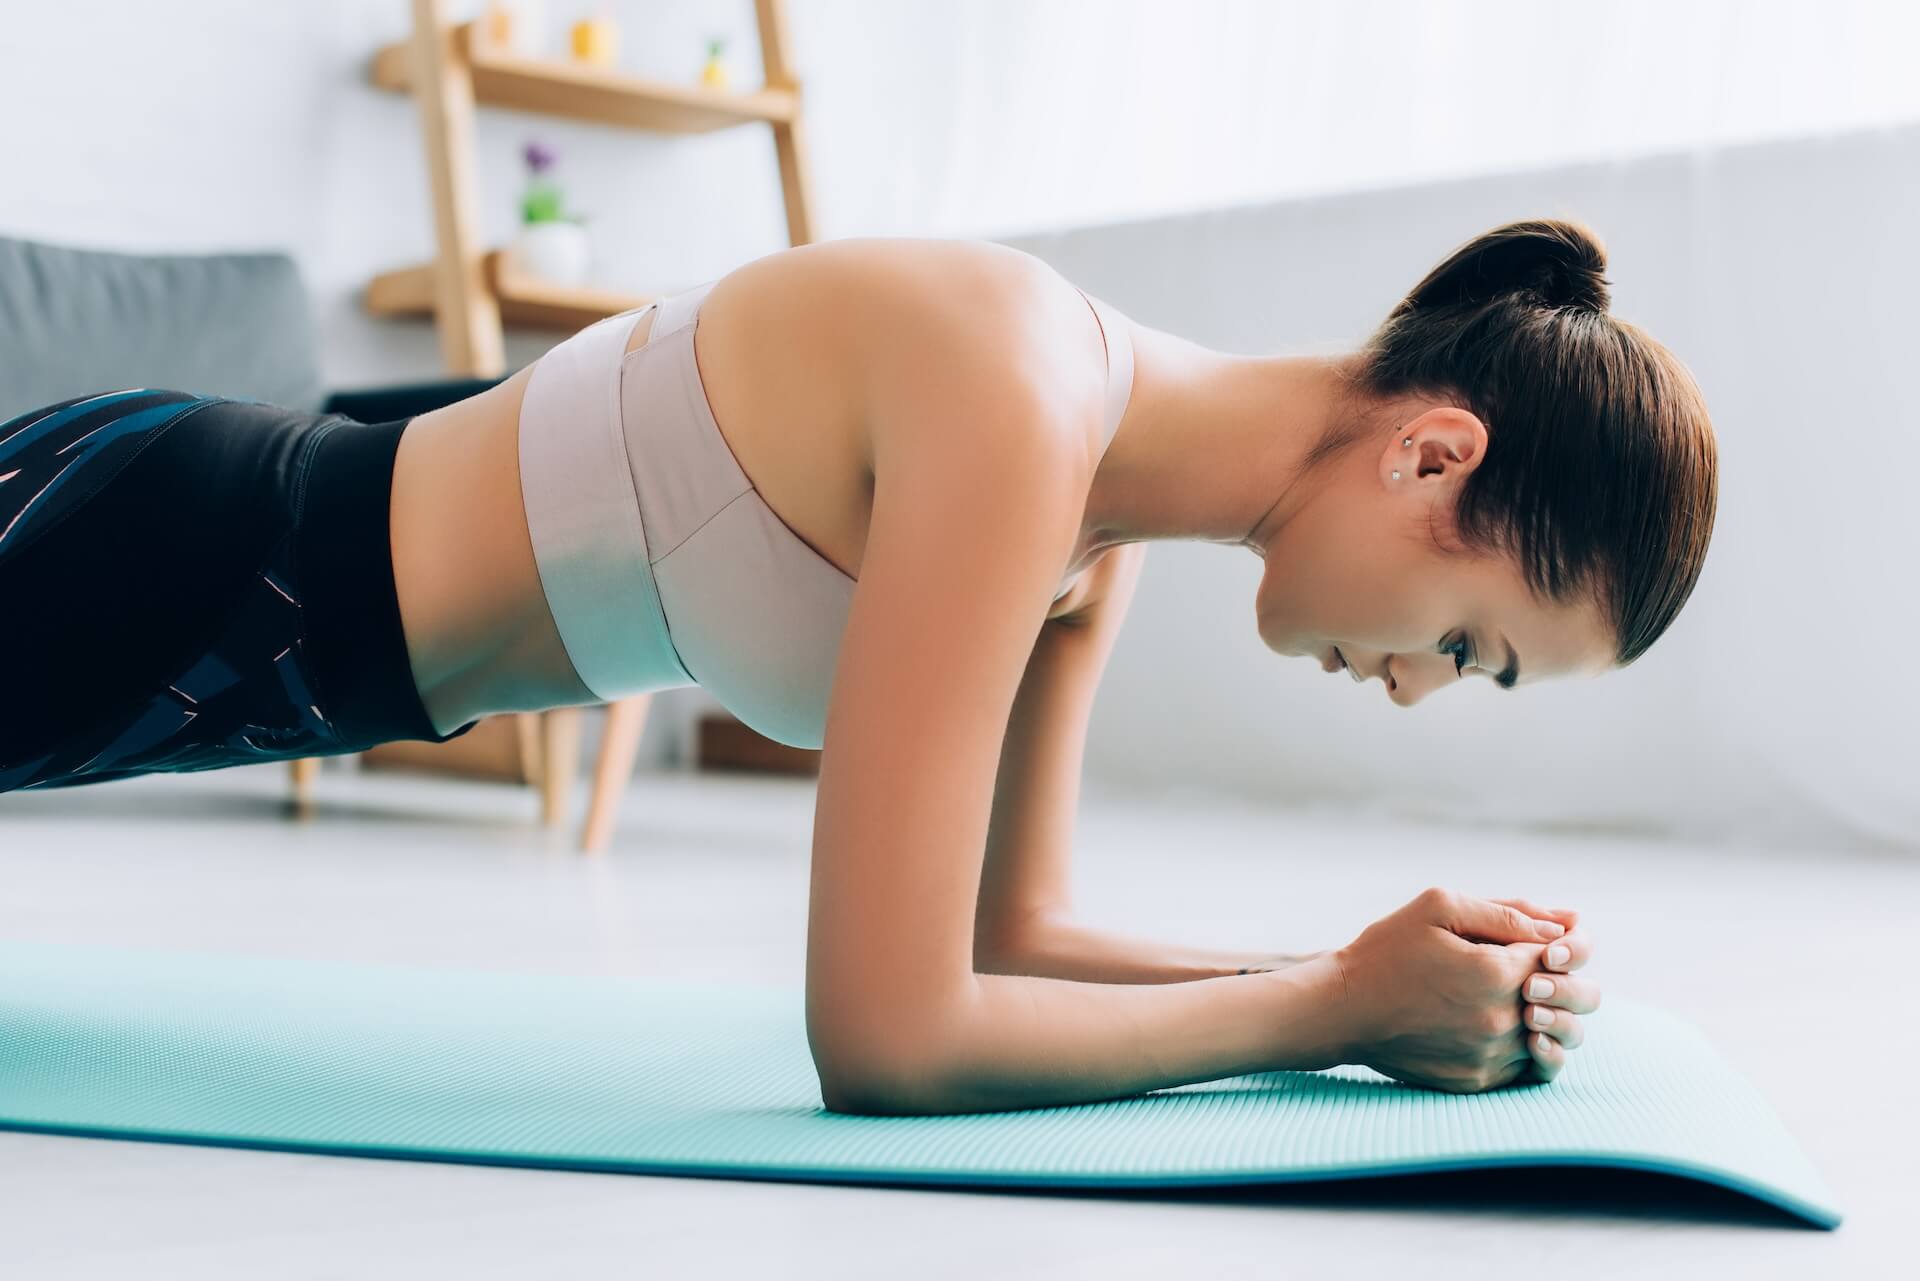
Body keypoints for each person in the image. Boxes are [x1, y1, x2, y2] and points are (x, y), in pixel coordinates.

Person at [0, 219, 1716, 1113]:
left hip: (252, 660)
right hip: (187, 558)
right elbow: (887, 1035)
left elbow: (1006, 944)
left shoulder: (1080, 550)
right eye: (1473, 645)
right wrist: (1339, 1008)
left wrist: (1374, 983)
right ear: (1434, 458)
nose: (1414, 684)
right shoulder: (1015, 396)